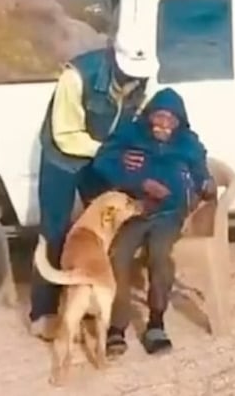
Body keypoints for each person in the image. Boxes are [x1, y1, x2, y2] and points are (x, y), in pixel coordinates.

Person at [29, 34, 159, 339]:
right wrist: (110, 151)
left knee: (107, 230)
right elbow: (65, 134)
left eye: (140, 74)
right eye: (130, 71)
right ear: (113, 56)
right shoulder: (76, 77)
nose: (135, 79)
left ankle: (97, 301)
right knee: (55, 231)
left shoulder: (140, 82)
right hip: (63, 158)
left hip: (101, 156)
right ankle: (44, 312)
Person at [91, 87, 217, 355]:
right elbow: (102, 161)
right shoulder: (130, 135)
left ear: (179, 122)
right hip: (134, 211)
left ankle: (156, 323)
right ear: (149, 116)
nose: (162, 125)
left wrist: (206, 183)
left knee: (159, 254)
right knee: (118, 256)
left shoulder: (188, 143)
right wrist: (138, 181)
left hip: (169, 215)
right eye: (158, 117)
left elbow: (201, 173)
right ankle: (117, 326)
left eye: (170, 120)